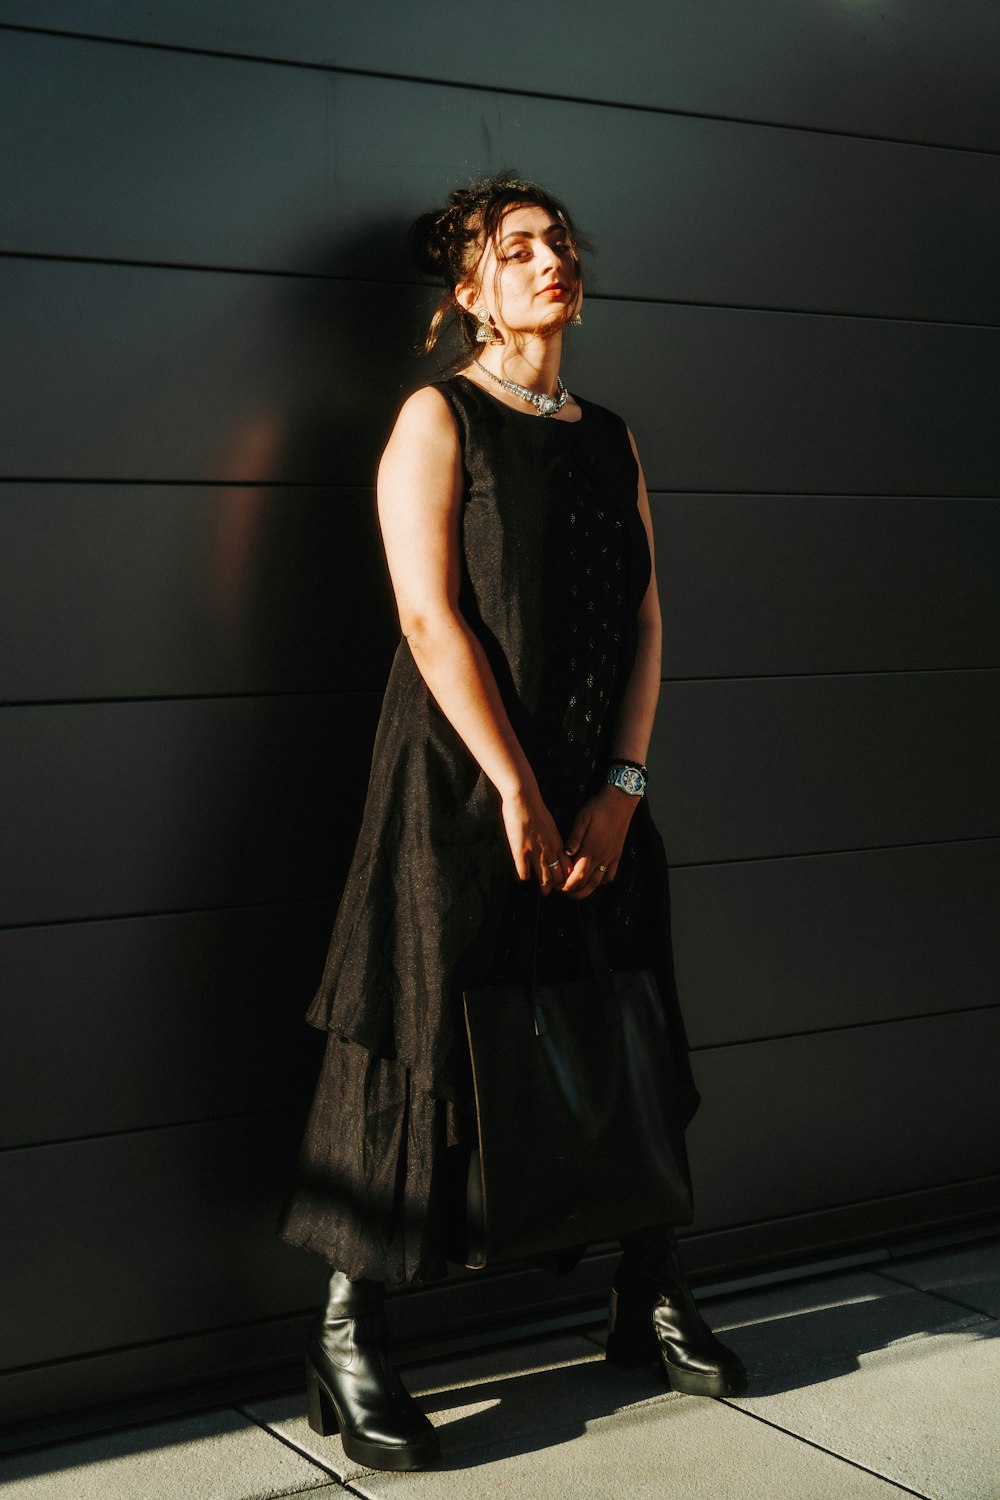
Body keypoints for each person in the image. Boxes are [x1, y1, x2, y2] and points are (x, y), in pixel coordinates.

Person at [278, 173, 745, 1471]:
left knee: (631, 1019)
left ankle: (647, 1297)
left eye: (559, 245)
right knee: (414, 1040)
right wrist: (519, 788)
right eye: (519, 249)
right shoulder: (438, 419)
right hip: (456, 790)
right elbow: (428, 616)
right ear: (468, 292)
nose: (553, 263)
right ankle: (346, 1333)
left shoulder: (610, 434)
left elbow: (649, 619)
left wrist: (620, 787)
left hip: (599, 797)